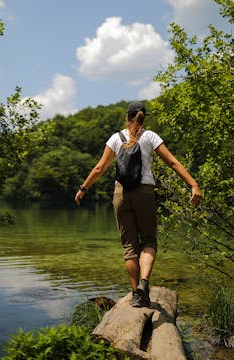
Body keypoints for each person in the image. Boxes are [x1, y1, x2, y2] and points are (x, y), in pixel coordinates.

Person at [74, 102, 202, 307]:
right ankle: (144, 284)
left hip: (121, 194)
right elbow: (173, 162)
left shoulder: (116, 138)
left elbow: (100, 168)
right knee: (149, 241)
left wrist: (83, 188)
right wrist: (193, 184)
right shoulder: (150, 137)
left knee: (129, 247)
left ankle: (136, 294)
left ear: (127, 117)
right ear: (143, 118)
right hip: (145, 192)